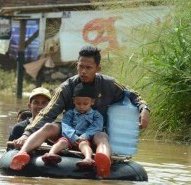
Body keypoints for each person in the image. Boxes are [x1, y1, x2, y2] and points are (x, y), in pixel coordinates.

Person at [10, 46, 150, 177]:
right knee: (49, 126)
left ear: (98, 68)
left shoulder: (109, 85)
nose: (83, 71)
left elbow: (132, 94)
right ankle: (23, 153)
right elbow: (47, 113)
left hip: (94, 132)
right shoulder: (66, 87)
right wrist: (26, 134)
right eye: (80, 66)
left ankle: (104, 162)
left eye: (88, 67)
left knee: (102, 136)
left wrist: (144, 108)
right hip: (68, 130)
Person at [41, 82, 103, 169]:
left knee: (84, 145)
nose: (81, 106)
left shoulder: (96, 115)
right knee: (61, 142)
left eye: (85, 104)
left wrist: (84, 136)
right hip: (69, 137)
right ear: (74, 101)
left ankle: (88, 158)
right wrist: (73, 137)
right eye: (78, 103)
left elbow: (96, 127)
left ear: (92, 102)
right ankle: (51, 153)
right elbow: (66, 125)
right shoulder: (69, 113)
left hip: (84, 138)